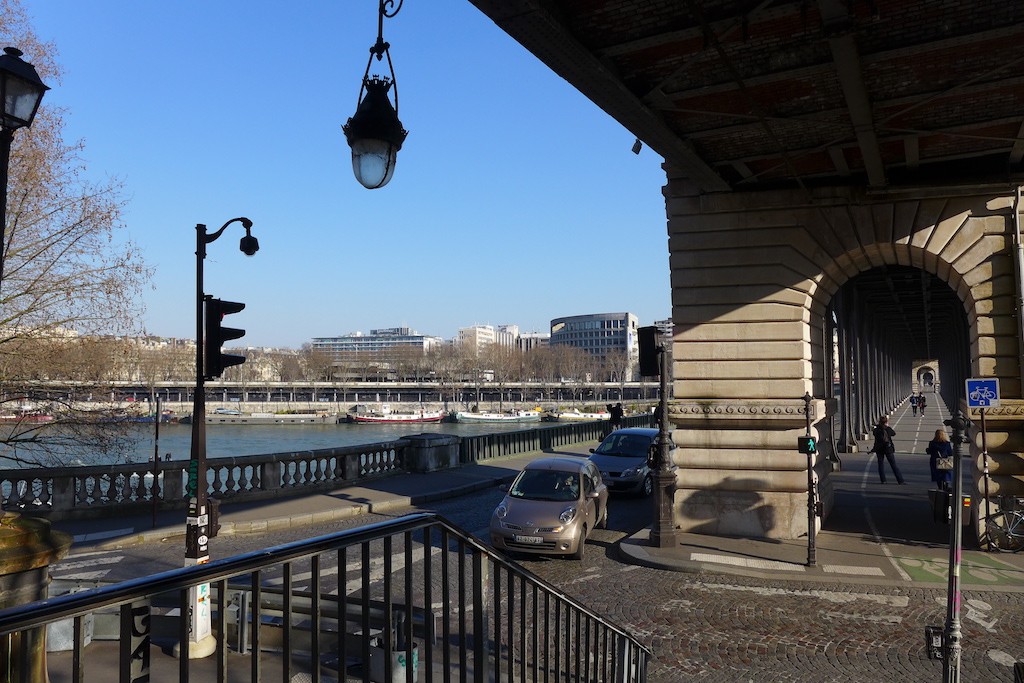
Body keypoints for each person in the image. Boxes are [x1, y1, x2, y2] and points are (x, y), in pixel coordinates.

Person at [871, 416, 906, 484]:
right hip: (888, 449)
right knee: (893, 465)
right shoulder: (887, 429)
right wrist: (887, 426)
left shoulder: (877, 430)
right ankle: (900, 480)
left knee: (881, 465)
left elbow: (875, 434)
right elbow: (893, 433)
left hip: (879, 449)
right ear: (886, 422)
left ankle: (883, 480)